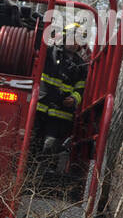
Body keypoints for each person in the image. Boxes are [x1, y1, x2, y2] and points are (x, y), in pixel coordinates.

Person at [33, 39, 87, 172]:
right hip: (40, 108)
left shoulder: (80, 65)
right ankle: (27, 168)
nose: (74, 43)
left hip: (60, 114)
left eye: (78, 40)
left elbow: (80, 89)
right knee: (31, 140)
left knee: (49, 145)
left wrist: (74, 98)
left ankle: (39, 174)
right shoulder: (50, 52)